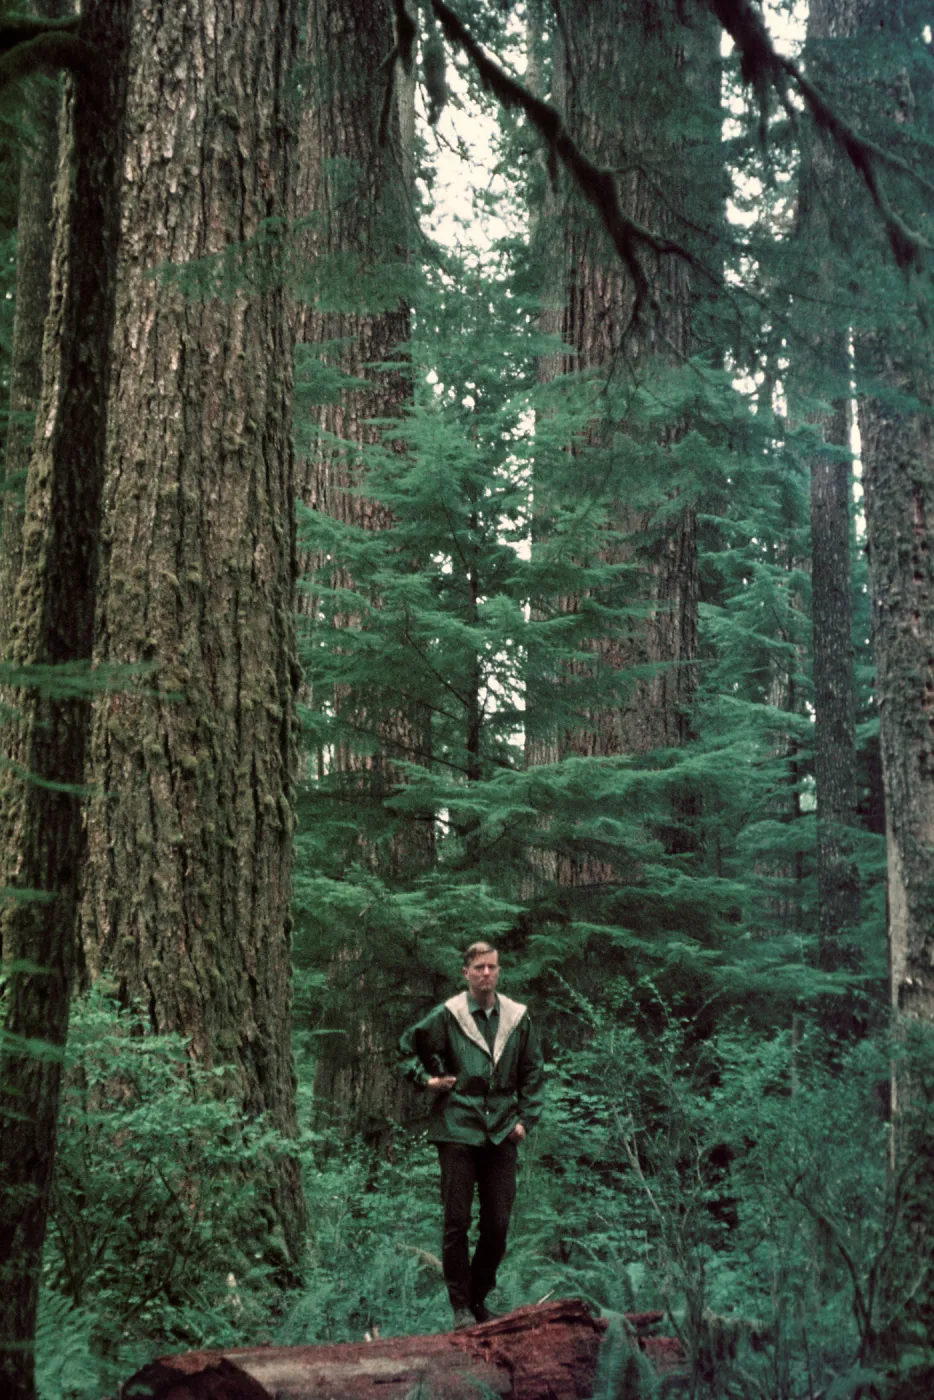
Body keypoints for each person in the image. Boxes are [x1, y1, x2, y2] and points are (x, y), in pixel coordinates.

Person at [397, 942, 545, 1331]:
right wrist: (426, 1080)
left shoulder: (517, 1017)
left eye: (492, 967)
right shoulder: (449, 1016)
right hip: (457, 1127)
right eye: (479, 968)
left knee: (497, 1223)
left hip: (502, 1132)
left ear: (499, 971)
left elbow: (533, 1072)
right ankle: (461, 1307)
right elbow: (406, 1047)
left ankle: (480, 1299)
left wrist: (525, 1121)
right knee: (456, 1221)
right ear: (466, 972)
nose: (486, 974)